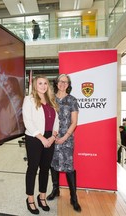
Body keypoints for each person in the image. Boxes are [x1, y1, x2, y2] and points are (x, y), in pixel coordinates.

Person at [22, 75, 59, 214]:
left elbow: (57, 120)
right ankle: (30, 199)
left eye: (45, 83)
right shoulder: (29, 100)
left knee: (45, 169)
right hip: (34, 138)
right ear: (35, 85)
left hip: (50, 137)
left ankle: (42, 196)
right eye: (40, 83)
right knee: (32, 168)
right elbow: (28, 121)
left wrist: (53, 136)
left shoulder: (51, 100)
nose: (43, 86)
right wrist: (42, 138)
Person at [47, 74, 81, 212]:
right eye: (60, 81)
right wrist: (52, 136)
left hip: (66, 139)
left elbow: (74, 122)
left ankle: (74, 198)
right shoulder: (50, 99)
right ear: (56, 82)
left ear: (68, 84)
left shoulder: (72, 100)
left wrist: (65, 136)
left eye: (65, 82)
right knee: (53, 164)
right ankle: (56, 190)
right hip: (52, 138)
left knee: (68, 167)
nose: (63, 84)